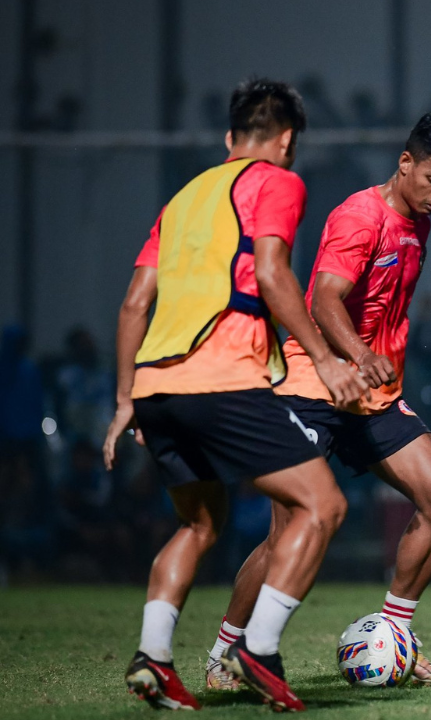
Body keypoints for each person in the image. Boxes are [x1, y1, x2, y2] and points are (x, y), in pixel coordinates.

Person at [102, 78, 367, 711]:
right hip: (220, 378)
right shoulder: (278, 181)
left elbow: (134, 303)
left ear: (228, 138)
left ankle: (154, 658)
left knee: (200, 523)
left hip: (157, 386)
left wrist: (124, 401)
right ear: (286, 140)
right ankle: (259, 648)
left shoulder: (184, 196)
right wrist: (326, 361)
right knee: (322, 506)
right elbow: (275, 275)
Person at [200, 111, 431, 691]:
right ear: (405, 163)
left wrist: (375, 365)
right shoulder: (358, 216)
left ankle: (395, 639)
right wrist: (356, 354)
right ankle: (224, 655)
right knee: (288, 533)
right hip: (314, 385)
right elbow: (325, 299)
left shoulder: (417, 223)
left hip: (374, 395)